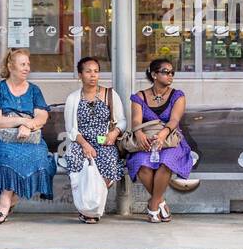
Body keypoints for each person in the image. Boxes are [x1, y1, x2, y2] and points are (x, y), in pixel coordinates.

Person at [0, 47, 57, 224]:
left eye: (28, 64)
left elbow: (42, 116)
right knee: (8, 156)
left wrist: (29, 125)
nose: (27, 68)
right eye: (22, 64)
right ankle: (5, 205)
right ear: (10, 66)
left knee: (42, 158)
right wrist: (21, 122)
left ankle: (5, 202)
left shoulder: (34, 90)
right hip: (0, 139)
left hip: (30, 139)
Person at [126, 58, 194, 223]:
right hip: (147, 139)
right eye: (165, 72)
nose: (170, 75)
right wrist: (139, 133)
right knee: (141, 164)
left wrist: (163, 134)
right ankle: (161, 202)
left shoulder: (177, 95)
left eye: (172, 73)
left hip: (170, 139)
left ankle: (153, 205)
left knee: (166, 162)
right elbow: (136, 120)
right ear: (154, 74)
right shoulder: (139, 97)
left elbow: (174, 120)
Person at [62, 56, 126, 223]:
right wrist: (84, 145)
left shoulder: (110, 95)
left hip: (104, 140)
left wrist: (114, 133)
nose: (93, 75)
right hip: (80, 141)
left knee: (109, 161)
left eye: (96, 71)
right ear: (80, 75)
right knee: (76, 161)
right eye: (88, 71)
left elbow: (122, 121)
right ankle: (85, 207)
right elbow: (71, 129)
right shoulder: (73, 98)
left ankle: (93, 207)